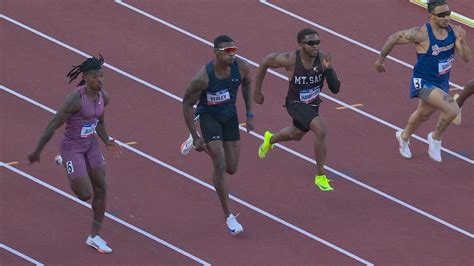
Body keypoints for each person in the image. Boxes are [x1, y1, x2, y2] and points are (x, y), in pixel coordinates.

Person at [27, 55, 121, 253]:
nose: (100, 80)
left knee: (102, 188)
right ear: (86, 77)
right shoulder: (75, 100)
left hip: (91, 145)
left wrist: (108, 140)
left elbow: (99, 122)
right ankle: (65, 163)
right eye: (95, 77)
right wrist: (37, 150)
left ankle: (94, 236)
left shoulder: (104, 97)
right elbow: (53, 124)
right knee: (85, 194)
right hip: (72, 148)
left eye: (102, 76)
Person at [375, 0, 471, 162]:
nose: (447, 18)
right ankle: (435, 138)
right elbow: (394, 37)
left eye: (449, 14)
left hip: (442, 81)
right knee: (453, 109)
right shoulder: (422, 34)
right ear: (431, 16)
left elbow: (467, 58)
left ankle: (404, 136)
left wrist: (461, 42)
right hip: (423, 82)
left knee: (423, 115)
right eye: (442, 15)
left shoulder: (454, 32)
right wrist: (380, 60)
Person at [181, 35, 254, 235]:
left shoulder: (242, 67)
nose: (233, 54)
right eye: (228, 51)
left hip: (230, 117)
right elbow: (186, 104)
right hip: (208, 117)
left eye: (235, 50)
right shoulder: (203, 77)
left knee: (232, 168)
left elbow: (247, 84)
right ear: (216, 53)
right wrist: (194, 134)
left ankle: (199, 142)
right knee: (219, 163)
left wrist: (249, 114)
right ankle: (229, 216)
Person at [254, 28, 341, 191]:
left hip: (313, 104)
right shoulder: (290, 60)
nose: (315, 46)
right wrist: (257, 91)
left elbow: (335, 89)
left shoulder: (323, 59)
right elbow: (265, 61)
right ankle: (320, 176)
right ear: (301, 45)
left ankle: (270, 140)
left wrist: (329, 69)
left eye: (317, 43)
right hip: (295, 104)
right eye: (311, 43)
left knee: (296, 135)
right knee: (321, 130)